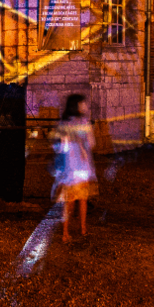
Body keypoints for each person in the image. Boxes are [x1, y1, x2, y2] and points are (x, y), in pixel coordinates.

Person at [54, 93, 98, 241]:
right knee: (83, 199)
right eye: (83, 103)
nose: (85, 106)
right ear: (77, 105)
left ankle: (65, 233)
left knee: (69, 201)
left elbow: (60, 147)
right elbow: (92, 144)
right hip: (83, 167)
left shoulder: (63, 123)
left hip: (69, 168)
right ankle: (83, 229)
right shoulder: (85, 122)